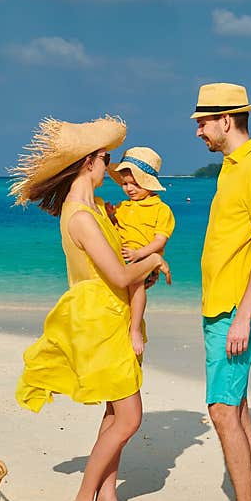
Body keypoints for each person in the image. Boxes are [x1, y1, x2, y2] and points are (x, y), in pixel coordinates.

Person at [8, 115, 171, 501]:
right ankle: (84, 500)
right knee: (130, 417)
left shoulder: (98, 207)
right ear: (89, 163)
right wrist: (153, 260)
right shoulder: (80, 214)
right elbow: (117, 275)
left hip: (114, 316)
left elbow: (123, 260)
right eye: (106, 159)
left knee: (116, 414)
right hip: (99, 320)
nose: (109, 167)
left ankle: (108, 498)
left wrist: (144, 261)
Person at [190, 82, 251, 501]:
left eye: (203, 122)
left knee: (221, 409)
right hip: (223, 308)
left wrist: (243, 315)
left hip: (235, 311)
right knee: (238, 408)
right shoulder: (230, 168)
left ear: (226, 119)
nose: (198, 131)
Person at [104, 146, 176, 360]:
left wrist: (140, 254)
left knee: (136, 286)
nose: (129, 188)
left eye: (135, 184)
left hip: (144, 259)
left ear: (148, 183)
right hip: (124, 259)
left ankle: (135, 328)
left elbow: (160, 240)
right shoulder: (124, 207)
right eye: (125, 184)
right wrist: (110, 216)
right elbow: (115, 229)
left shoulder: (161, 210)